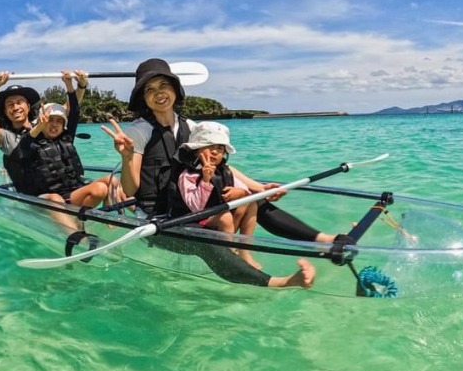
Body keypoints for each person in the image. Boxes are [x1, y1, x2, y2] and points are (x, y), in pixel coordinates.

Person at [101, 58, 320, 289]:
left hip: (189, 208)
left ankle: (325, 241)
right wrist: (126, 158)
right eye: (150, 89)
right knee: (206, 241)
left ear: (175, 89)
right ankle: (281, 282)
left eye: (163, 85)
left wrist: (257, 187)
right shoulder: (138, 131)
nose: (159, 93)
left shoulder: (193, 128)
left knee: (254, 199)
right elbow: (129, 189)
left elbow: (221, 167)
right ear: (143, 98)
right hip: (157, 220)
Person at [18, 70, 123, 208]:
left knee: (113, 181)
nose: (54, 124)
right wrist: (39, 126)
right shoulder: (32, 142)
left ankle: (113, 221)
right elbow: (24, 144)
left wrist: (69, 85)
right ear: (41, 122)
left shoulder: (66, 138)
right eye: (49, 120)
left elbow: (74, 110)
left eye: (59, 121)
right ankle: (81, 223)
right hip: (53, 196)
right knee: (99, 189)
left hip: (75, 190)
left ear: (64, 125)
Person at [174, 121, 262, 270]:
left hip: (220, 215)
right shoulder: (188, 175)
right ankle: (228, 257)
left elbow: (245, 190)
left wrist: (240, 192)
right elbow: (195, 207)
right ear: (196, 150)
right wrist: (206, 180)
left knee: (251, 203)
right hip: (197, 218)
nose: (215, 152)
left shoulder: (224, 171)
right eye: (209, 146)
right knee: (225, 217)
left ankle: (244, 250)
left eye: (220, 148)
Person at [0, 71, 41, 190]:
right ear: (5, 111)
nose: (15, 107)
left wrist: (80, 86)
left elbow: (69, 111)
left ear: (28, 107)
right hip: (34, 196)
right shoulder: (5, 138)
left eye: (19, 102)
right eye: (10, 104)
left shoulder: (42, 125)